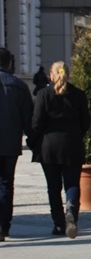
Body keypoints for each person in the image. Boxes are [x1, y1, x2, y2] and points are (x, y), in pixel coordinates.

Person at [31, 62, 89, 239]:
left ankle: (58, 223)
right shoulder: (79, 95)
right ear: (68, 75)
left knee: (53, 187)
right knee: (72, 183)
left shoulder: (43, 95)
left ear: (51, 75)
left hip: (49, 146)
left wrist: (33, 141)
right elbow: (85, 122)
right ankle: (71, 209)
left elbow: (36, 122)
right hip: (72, 145)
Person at [0, 47, 33, 242]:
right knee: (6, 183)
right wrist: (33, 139)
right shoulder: (19, 86)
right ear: (9, 63)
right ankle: (4, 225)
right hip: (11, 143)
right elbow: (29, 118)